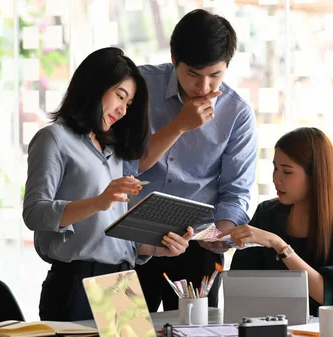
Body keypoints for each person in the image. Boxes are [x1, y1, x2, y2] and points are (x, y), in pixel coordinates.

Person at [22, 47, 194, 322]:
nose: (123, 110)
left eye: (129, 103)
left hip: (122, 285)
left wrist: (156, 248)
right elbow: (34, 213)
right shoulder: (53, 139)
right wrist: (98, 202)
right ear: (94, 87)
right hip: (76, 282)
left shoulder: (115, 151)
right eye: (120, 96)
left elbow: (112, 236)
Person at [124, 9, 258, 312]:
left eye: (215, 75)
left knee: (193, 331)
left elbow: (235, 192)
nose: (204, 87)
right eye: (193, 75)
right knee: (121, 328)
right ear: (174, 60)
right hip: (128, 239)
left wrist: (222, 233)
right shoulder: (138, 88)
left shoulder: (237, 113)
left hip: (194, 245)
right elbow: (123, 166)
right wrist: (179, 125)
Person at [227, 127, 333, 319]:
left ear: (315, 175)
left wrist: (279, 245)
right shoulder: (266, 213)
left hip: (328, 325)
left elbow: (326, 295)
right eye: (275, 168)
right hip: (268, 321)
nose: (276, 178)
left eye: (287, 172)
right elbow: (240, 282)